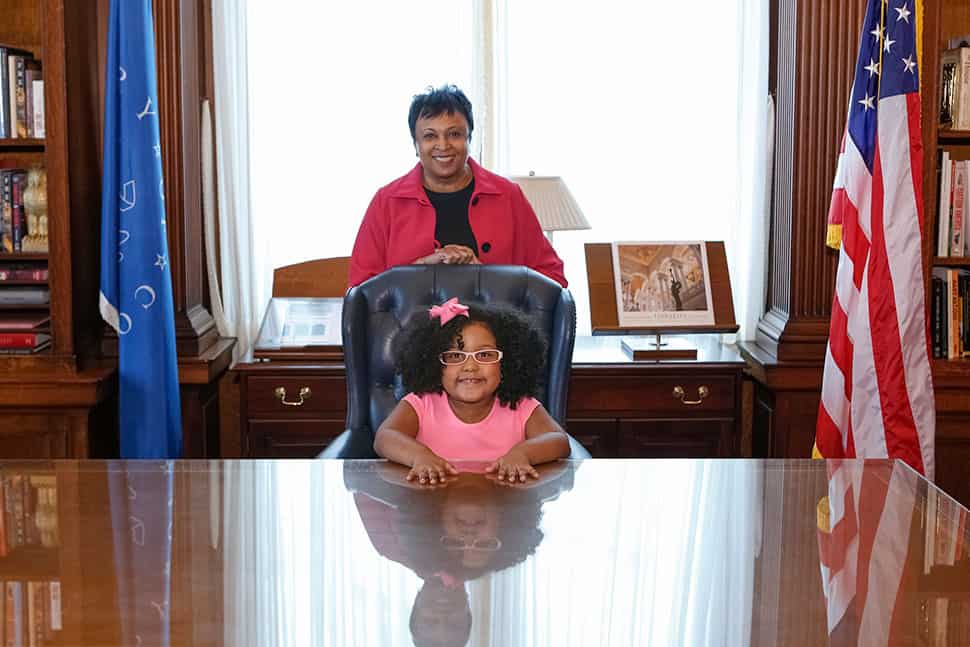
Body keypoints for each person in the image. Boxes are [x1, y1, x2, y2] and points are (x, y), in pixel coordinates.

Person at [348, 84, 567, 288]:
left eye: (454, 134)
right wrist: (421, 268)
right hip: (409, 327)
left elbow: (553, 279)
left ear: (469, 138)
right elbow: (360, 291)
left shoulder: (508, 196)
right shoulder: (386, 202)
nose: (443, 145)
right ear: (415, 145)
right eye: (430, 136)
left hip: (498, 325)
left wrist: (483, 274)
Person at [373, 298, 570, 485]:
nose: (470, 367)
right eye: (455, 355)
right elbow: (385, 437)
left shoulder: (520, 405)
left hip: (505, 508)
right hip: (432, 508)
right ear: (434, 365)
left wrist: (524, 453)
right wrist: (418, 456)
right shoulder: (421, 403)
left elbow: (558, 440)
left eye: (484, 355)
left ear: (507, 363)